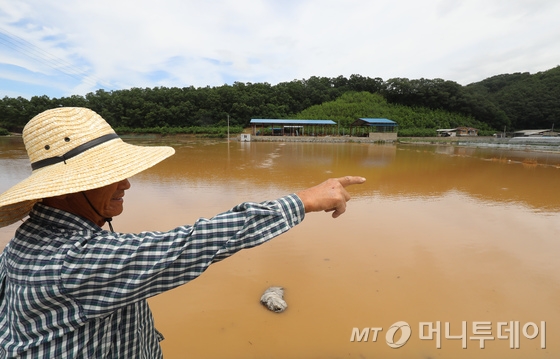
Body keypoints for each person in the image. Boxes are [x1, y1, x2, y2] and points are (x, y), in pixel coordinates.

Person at [0, 107, 365, 358]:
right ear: (64, 189)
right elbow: (190, 245)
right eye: (108, 176)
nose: (126, 183)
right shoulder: (72, 262)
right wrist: (304, 200)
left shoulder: (23, 244)